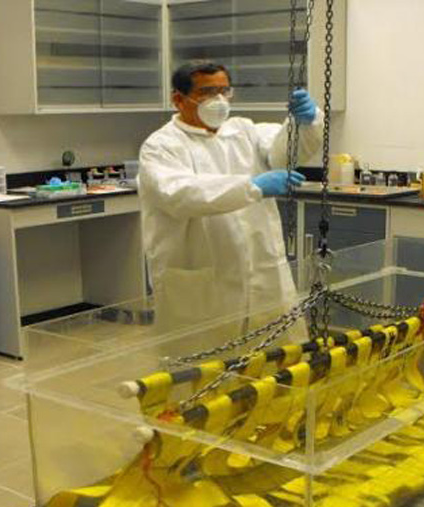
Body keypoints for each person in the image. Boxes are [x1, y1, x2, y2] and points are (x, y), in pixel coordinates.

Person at [138, 60, 324, 341]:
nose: (219, 100)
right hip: (203, 268)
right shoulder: (161, 146)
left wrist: (305, 123)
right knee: (201, 355)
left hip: (260, 264)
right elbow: (180, 194)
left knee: (273, 348)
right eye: (207, 92)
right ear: (178, 99)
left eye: (224, 91)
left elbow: (284, 153)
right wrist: (251, 187)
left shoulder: (243, 130)